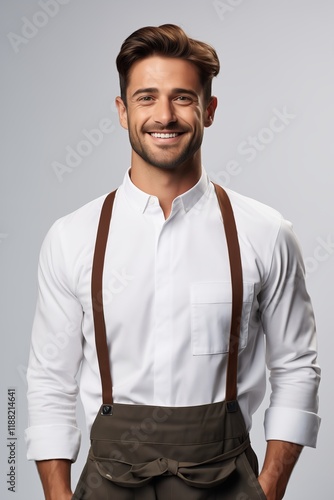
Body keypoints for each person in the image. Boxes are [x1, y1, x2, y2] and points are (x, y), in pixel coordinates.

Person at [25, 24, 321, 500]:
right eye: (146, 97)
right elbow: (47, 381)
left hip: (228, 483)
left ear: (209, 110)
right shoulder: (71, 237)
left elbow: (295, 366)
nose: (164, 115)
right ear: (122, 112)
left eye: (183, 97)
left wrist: (268, 489)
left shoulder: (266, 233)